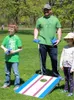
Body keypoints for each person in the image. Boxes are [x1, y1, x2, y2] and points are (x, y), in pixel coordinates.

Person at [33, 4, 62, 76]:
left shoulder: (55, 19)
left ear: (50, 11)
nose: (46, 11)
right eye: (44, 10)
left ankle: (55, 74)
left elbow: (59, 29)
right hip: (42, 42)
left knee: (54, 59)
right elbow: (36, 29)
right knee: (42, 59)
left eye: (47, 10)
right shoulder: (39, 20)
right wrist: (35, 37)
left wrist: (59, 39)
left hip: (53, 43)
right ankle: (44, 74)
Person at [1, 24, 22, 90]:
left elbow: (20, 48)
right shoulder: (7, 37)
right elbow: (2, 45)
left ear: (14, 30)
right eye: (9, 29)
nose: (9, 30)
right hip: (7, 58)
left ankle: (17, 85)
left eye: (11, 29)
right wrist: (5, 49)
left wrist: (14, 52)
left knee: (16, 73)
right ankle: (6, 83)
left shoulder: (17, 38)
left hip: (14, 59)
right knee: (7, 72)